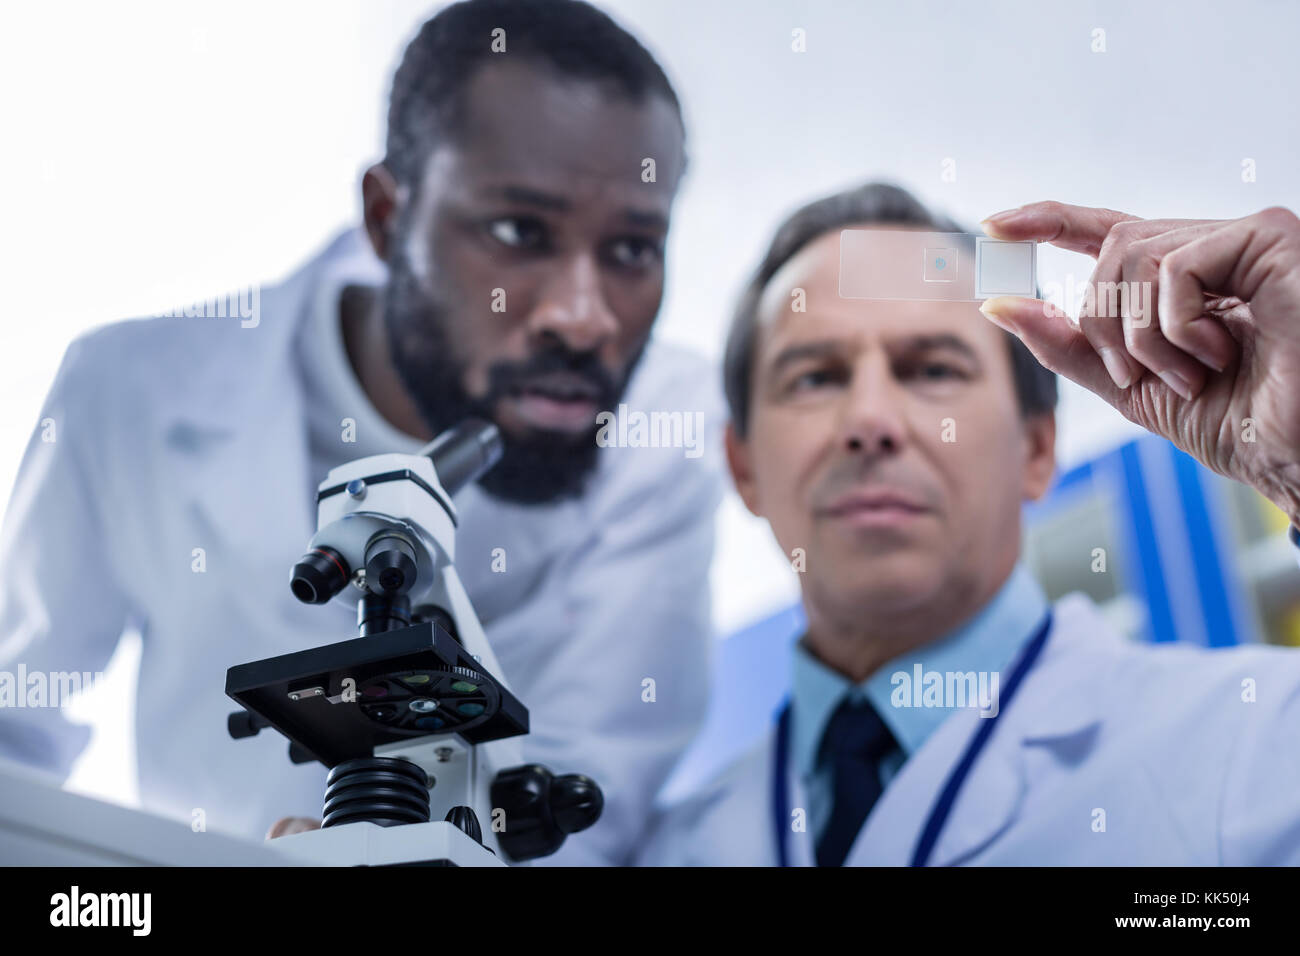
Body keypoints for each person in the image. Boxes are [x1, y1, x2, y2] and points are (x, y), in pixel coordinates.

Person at [0, 0, 723, 866]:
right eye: (517, 232)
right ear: (386, 219)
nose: (582, 317)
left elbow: (584, 787)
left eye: (633, 249)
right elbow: (12, 729)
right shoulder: (129, 394)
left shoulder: (670, 432)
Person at [637, 182, 1300, 866]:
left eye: (931, 369)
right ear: (742, 466)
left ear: (1037, 450)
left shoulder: (1262, 748)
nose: (870, 421)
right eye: (814, 378)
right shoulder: (665, 851)